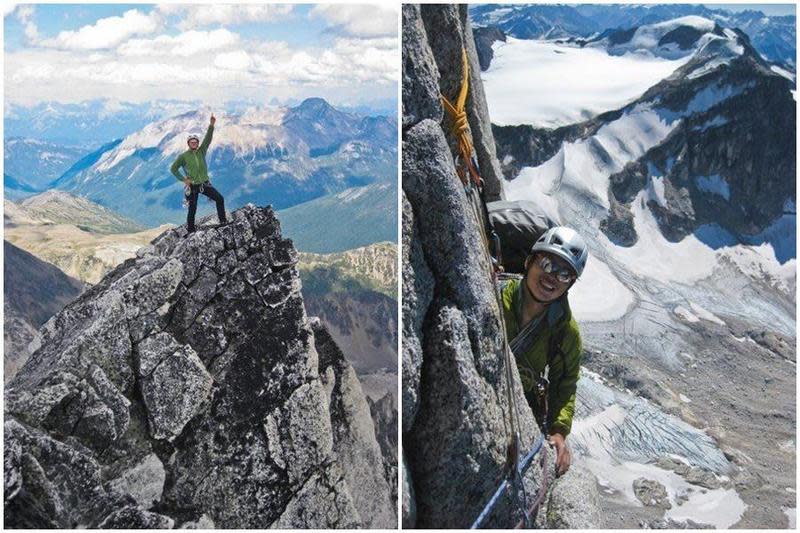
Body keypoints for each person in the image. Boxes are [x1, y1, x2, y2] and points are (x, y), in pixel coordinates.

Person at [499, 226, 588, 477]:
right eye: (548, 264)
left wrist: (559, 431)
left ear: (570, 284)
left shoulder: (565, 332)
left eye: (564, 274)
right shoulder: (493, 294)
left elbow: (565, 383)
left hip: (521, 405)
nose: (552, 277)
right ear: (529, 262)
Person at [170, 114, 227, 234]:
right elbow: (173, 169)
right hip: (193, 186)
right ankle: (191, 230)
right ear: (188, 143)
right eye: (192, 142)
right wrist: (184, 180)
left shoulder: (202, 151)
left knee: (219, 199)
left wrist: (211, 125)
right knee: (192, 208)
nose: (194, 143)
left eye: (196, 142)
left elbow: (208, 139)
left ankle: (223, 222)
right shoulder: (184, 156)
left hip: (205, 184)